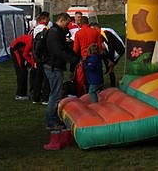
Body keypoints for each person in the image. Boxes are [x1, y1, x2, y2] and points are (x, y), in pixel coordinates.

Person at [43, 13, 80, 150]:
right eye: (67, 23)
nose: (68, 26)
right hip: (53, 67)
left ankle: (52, 118)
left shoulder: (57, 32)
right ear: (61, 20)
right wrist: (74, 60)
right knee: (55, 95)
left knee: (56, 94)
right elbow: (58, 51)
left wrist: (74, 56)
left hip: (55, 66)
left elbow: (64, 49)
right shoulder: (54, 33)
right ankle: (51, 121)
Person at [73, 16, 103, 95]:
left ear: (80, 23)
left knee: (82, 78)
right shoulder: (95, 32)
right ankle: (96, 92)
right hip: (95, 57)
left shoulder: (78, 33)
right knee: (95, 76)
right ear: (88, 23)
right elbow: (99, 46)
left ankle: (83, 94)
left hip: (83, 58)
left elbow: (75, 49)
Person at [29, 13, 51, 104]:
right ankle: (45, 98)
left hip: (37, 56)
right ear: (45, 19)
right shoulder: (45, 28)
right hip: (45, 56)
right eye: (48, 18)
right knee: (46, 78)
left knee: (38, 78)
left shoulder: (35, 29)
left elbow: (33, 43)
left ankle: (36, 97)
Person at [9, 32, 33, 101]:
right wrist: (31, 62)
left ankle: (23, 93)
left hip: (21, 50)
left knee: (24, 71)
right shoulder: (31, 41)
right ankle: (19, 94)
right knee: (21, 71)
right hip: (15, 50)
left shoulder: (35, 39)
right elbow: (25, 54)